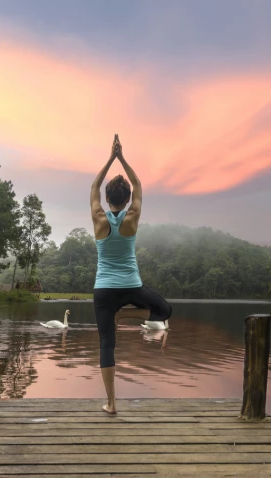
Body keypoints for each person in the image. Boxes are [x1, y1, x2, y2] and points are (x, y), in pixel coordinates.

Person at [90, 134, 173, 414]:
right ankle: (123, 315)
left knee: (106, 346)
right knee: (164, 311)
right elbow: (138, 184)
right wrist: (122, 157)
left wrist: (110, 158)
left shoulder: (98, 217)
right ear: (126, 199)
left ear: (107, 198)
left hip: (104, 290)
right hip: (131, 287)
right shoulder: (133, 216)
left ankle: (111, 404)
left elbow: (94, 186)